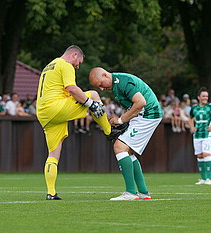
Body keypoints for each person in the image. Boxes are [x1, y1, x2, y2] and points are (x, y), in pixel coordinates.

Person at [36, 45, 123, 200]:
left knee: (53, 153)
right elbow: (72, 88)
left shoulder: (49, 66)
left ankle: (51, 192)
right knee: (95, 95)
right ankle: (109, 132)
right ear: (75, 55)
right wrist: (91, 104)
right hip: (55, 107)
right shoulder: (65, 64)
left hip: (43, 113)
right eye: (79, 62)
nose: (78, 66)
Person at [89, 67, 163, 201]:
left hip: (148, 114)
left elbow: (140, 102)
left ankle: (130, 192)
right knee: (127, 152)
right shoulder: (117, 85)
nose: (101, 89)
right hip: (143, 115)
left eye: (100, 84)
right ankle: (143, 192)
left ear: (105, 75)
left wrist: (121, 120)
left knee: (119, 147)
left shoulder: (122, 82)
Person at [188, 87, 211, 185]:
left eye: (206, 96)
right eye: (203, 96)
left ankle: (208, 178)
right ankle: (203, 178)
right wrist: (192, 127)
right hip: (197, 135)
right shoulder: (194, 108)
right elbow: (190, 118)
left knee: (206, 154)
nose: (205, 98)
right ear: (198, 97)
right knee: (199, 156)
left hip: (207, 135)